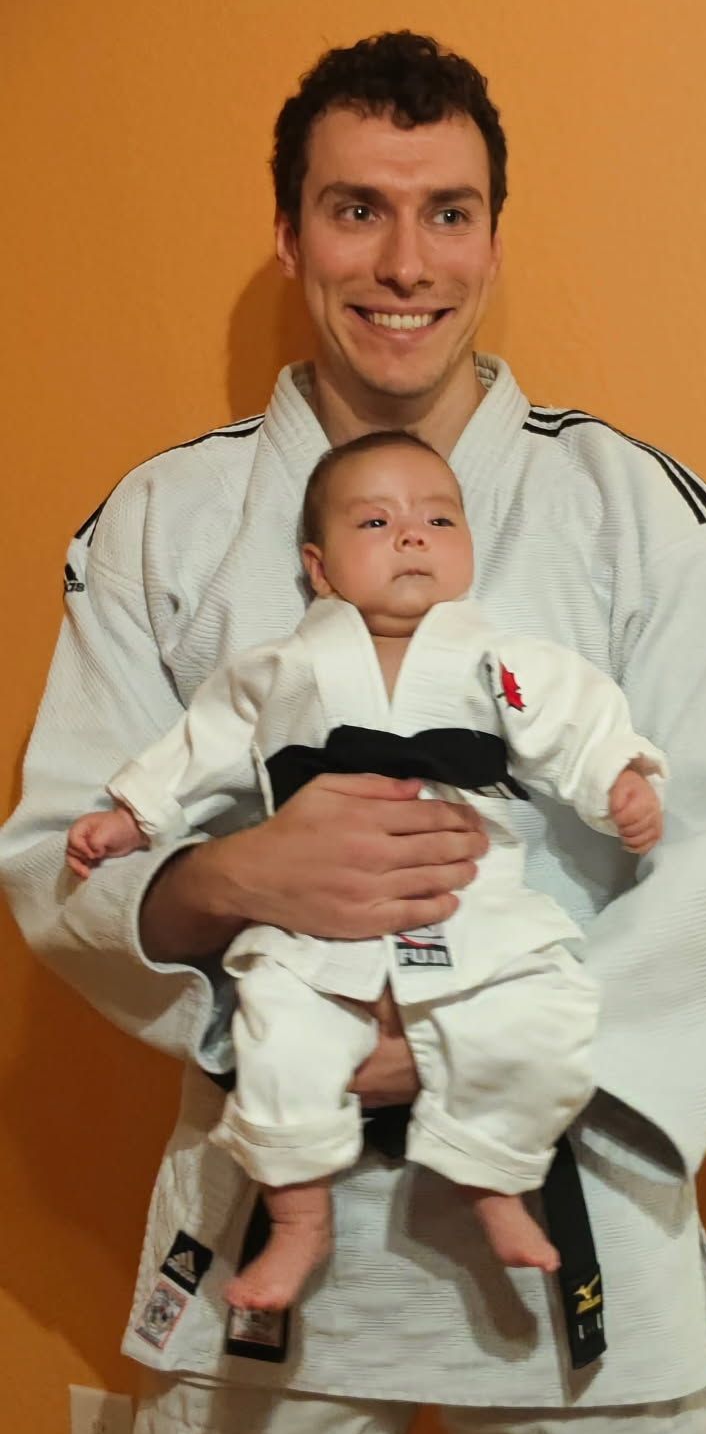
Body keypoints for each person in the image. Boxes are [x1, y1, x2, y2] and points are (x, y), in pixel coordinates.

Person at [0, 31, 706, 1434]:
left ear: (496, 238)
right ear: (291, 232)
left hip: (572, 1211)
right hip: (271, 1205)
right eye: (355, 207)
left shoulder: (639, 511)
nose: (404, 260)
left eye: (448, 210)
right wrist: (233, 876)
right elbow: (64, 847)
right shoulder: (164, 521)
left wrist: (444, 1056)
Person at [65, 430, 666, 1311]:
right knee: (279, 1030)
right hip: (312, 921)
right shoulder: (281, 667)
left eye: (437, 518)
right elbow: (203, 747)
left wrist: (618, 779)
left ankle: (496, 1175)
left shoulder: (505, 662)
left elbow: (575, 720)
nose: (412, 536)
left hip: (472, 904)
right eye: (377, 520)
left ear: (469, 544)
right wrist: (132, 815)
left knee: (543, 1014)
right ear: (320, 565)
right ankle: (299, 1216)